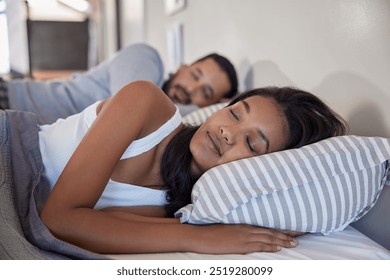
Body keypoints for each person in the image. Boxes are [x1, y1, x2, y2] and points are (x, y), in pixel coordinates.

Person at [38, 80, 347, 254]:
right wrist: (199, 238)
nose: (228, 132)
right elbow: (59, 219)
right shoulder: (147, 103)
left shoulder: (188, 205)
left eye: (252, 144)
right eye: (235, 114)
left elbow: (101, 223)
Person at [0, 43, 238, 124]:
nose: (190, 90)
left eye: (205, 93)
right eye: (195, 76)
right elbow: (132, 112)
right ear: (183, 68)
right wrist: (200, 108)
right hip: (10, 102)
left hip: (22, 130)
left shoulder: (168, 121)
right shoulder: (146, 58)